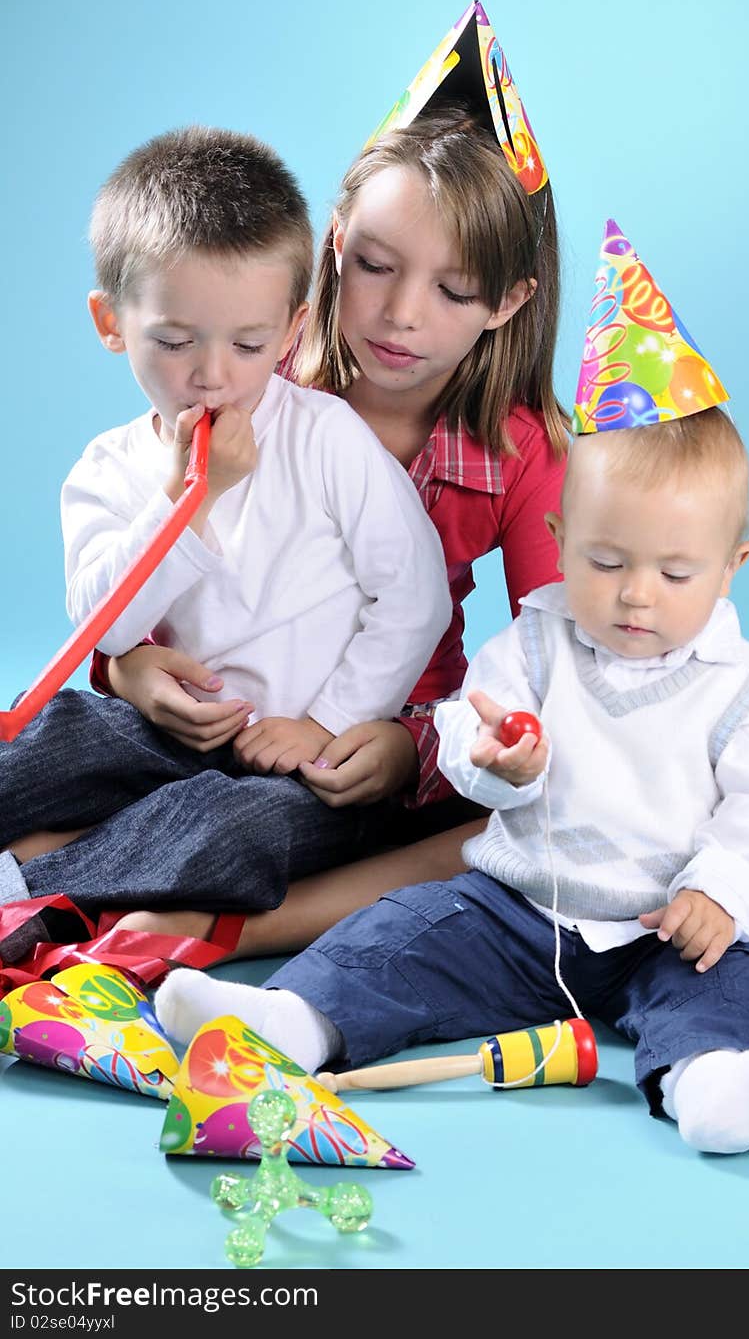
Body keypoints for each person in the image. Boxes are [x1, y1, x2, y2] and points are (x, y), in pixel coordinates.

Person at [153, 225, 749, 1155]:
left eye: (674, 574)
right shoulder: (538, 642)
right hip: (517, 910)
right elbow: (463, 729)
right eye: (606, 561)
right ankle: (288, 1019)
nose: (636, 594)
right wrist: (496, 765)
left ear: (732, 568)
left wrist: (721, 890)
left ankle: (716, 1085)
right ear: (561, 540)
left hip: (662, 924)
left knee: (739, 981)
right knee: (398, 933)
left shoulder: (737, 686)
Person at [71, 5, 570, 957]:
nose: (399, 314)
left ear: (508, 302)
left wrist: (412, 749)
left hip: (365, 756)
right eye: (375, 265)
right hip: (205, 717)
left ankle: (231, 922)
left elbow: (561, 673)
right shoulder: (256, 365)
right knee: (72, 746)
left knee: (533, 834)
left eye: (454, 290)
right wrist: (126, 670)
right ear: (334, 244)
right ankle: (96, 866)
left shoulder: (520, 453)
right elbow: (139, 560)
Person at [0, 123, 453, 922]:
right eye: (174, 342)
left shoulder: (326, 437)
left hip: (303, 773)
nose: (212, 376)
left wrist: (324, 723)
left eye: (249, 344)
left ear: (291, 329)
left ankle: (24, 896)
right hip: (162, 735)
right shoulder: (105, 471)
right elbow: (107, 628)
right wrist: (188, 497)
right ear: (111, 325)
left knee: (225, 831)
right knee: (53, 737)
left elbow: (416, 598)